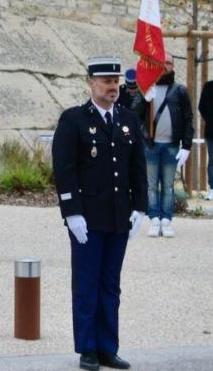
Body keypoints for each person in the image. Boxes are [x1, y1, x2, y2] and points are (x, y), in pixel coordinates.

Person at [52, 56, 147, 371]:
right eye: (106, 81)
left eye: (116, 81)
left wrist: (140, 208)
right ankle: (88, 348)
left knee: (111, 284)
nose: (113, 87)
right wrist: (71, 212)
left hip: (119, 217)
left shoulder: (128, 120)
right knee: (87, 282)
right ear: (91, 83)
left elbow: (137, 169)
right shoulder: (74, 120)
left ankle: (108, 347)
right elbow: (64, 171)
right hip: (87, 220)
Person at [131, 53, 193, 238]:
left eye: (168, 62)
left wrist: (186, 146)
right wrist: (144, 98)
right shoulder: (146, 88)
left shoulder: (180, 91)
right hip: (150, 146)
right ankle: (154, 220)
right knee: (151, 185)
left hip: (172, 146)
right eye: (162, 62)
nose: (165, 65)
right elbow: (134, 114)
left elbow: (188, 119)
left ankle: (166, 220)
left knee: (167, 185)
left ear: (173, 66)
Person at [198, 77, 213, 200]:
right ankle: (212, 188)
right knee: (212, 160)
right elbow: (201, 106)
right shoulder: (208, 86)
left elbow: (201, 107)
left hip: (210, 128)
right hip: (211, 130)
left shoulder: (208, 86)